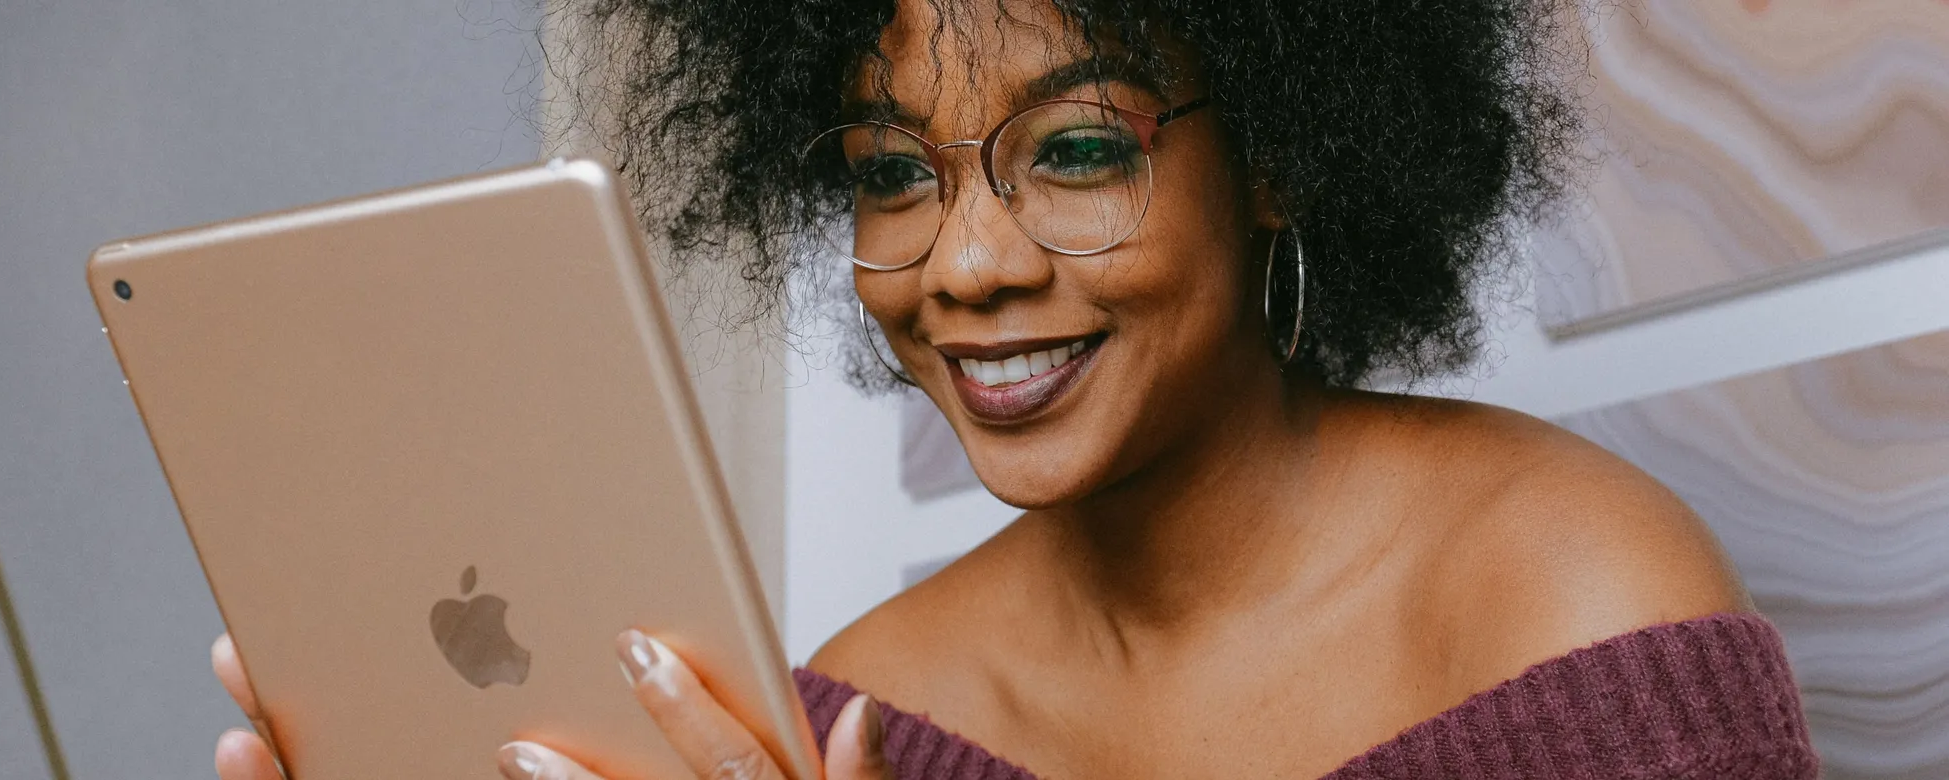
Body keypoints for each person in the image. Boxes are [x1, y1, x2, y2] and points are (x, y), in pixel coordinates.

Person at [212, 0, 1820, 777]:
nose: (966, 264)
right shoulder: (850, 723)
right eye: (893, 174)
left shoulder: (1577, 608)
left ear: (1276, 156)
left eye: (1077, 150)